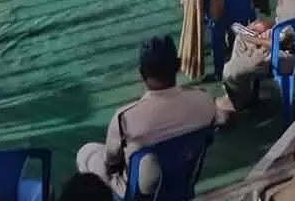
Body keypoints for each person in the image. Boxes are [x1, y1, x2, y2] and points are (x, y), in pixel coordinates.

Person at [76, 36, 217, 197]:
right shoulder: (205, 102)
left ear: (140, 72)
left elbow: (111, 162)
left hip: (137, 192)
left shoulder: (125, 119)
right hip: (182, 183)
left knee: (86, 153)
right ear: (178, 66)